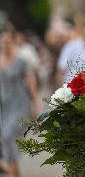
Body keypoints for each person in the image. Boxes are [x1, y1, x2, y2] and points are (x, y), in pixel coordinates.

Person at [0, 30, 41, 177]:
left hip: (20, 105)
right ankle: (14, 173)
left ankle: (11, 171)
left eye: (8, 41)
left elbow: (32, 84)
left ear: (13, 42)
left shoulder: (21, 61)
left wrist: (36, 104)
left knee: (7, 135)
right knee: (6, 138)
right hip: (3, 107)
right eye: (3, 41)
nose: (5, 44)